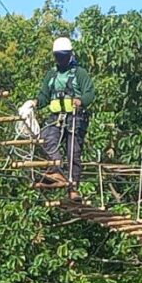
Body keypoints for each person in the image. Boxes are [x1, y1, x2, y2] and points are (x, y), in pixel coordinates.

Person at [37, 37, 96, 194]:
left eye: (63, 56)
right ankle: (57, 171)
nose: (60, 59)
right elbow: (44, 95)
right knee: (47, 139)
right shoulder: (52, 74)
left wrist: (81, 100)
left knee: (73, 152)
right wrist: (35, 103)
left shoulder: (80, 73)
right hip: (56, 117)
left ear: (70, 55)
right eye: (58, 56)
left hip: (75, 117)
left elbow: (90, 93)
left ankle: (73, 188)